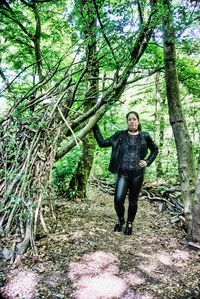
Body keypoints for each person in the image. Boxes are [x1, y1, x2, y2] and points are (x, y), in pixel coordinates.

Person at [93, 111, 158, 235]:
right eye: (129, 119)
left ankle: (129, 223)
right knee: (118, 200)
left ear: (138, 121)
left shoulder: (145, 136)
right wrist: (94, 126)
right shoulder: (120, 135)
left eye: (134, 119)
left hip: (137, 174)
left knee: (133, 201)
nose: (132, 121)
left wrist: (147, 161)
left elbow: (155, 149)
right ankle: (121, 219)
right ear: (127, 122)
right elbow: (102, 143)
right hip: (122, 173)